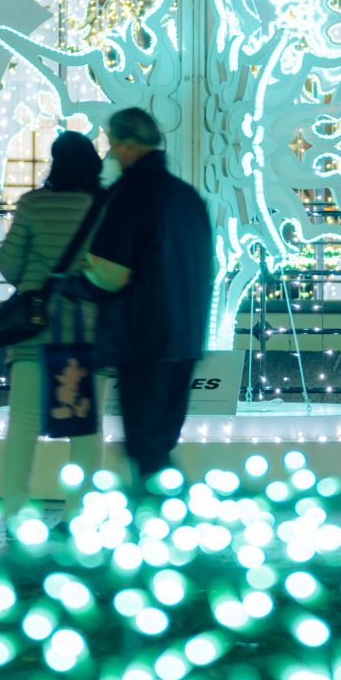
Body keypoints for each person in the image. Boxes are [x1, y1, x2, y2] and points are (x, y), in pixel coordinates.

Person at [77, 108, 213, 490]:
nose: (112, 154)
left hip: (143, 337)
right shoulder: (187, 197)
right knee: (163, 438)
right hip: (185, 336)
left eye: (114, 145)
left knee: (145, 443)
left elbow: (112, 272)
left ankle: (160, 521)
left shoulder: (130, 195)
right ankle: (167, 515)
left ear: (127, 145)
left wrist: (83, 271)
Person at [0, 131, 109, 513]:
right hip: (89, 331)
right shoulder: (106, 206)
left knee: (23, 424)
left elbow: (9, 264)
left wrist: (35, 276)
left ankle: (13, 509)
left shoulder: (33, 204)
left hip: (36, 330)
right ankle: (82, 511)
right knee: (87, 430)